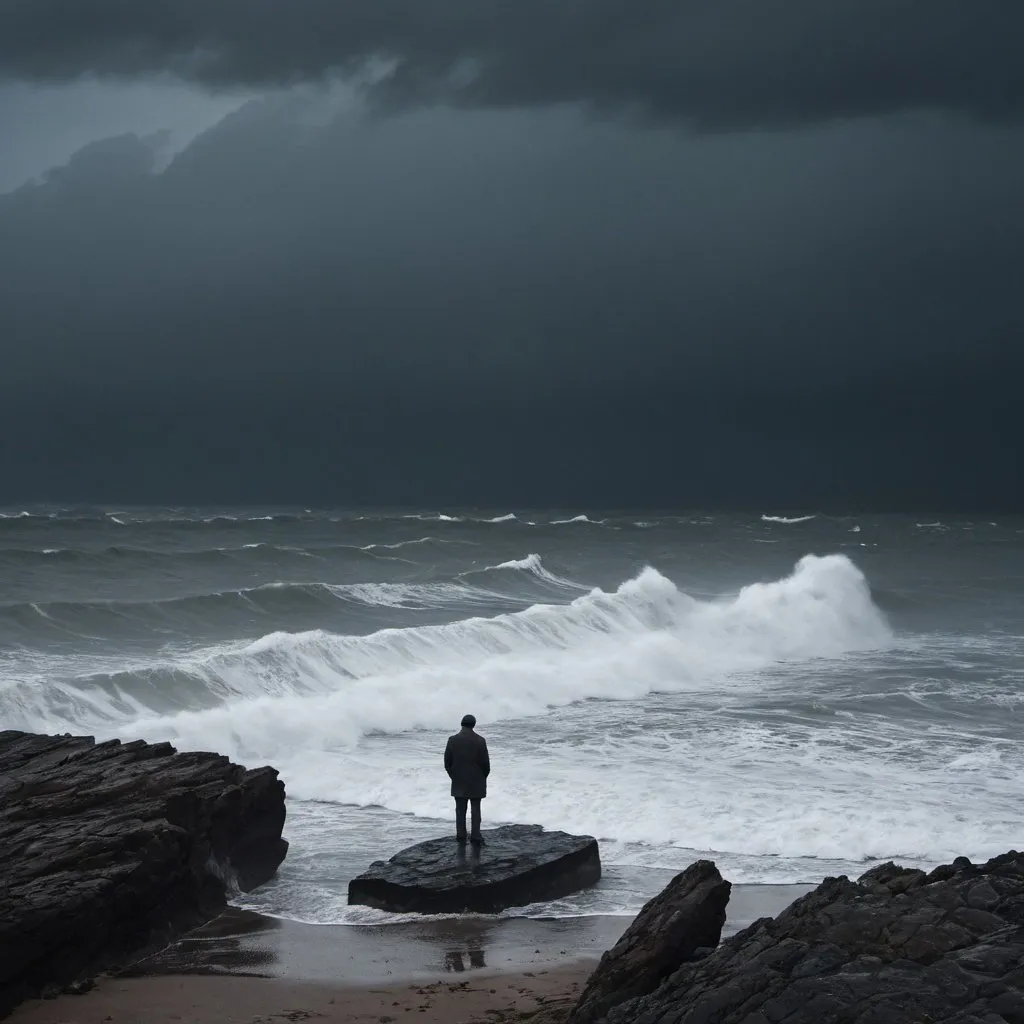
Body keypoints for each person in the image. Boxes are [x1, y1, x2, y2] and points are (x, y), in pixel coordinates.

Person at [444, 714, 490, 845]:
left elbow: (447, 762)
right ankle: (475, 834)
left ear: (461, 723)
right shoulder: (480, 740)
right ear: (474, 725)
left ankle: (461, 834)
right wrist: (482, 776)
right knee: (476, 809)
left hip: (459, 779)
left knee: (460, 809)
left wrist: (454, 776)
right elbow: (485, 763)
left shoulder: (452, 740)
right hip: (477, 779)